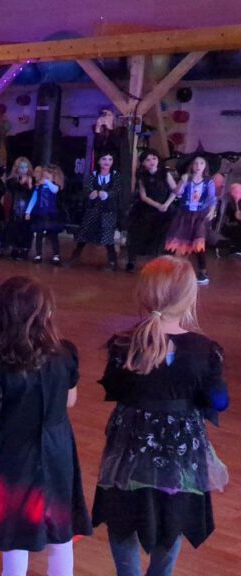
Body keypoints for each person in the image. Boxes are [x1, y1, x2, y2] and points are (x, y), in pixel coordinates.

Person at [91, 256, 229, 576]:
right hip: (179, 449)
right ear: (190, 297)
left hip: (130, 445)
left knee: (122, 513)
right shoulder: (204, 350)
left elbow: (114, 387)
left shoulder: (123, 344)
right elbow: (219, 401)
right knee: (172, 516)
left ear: (144, 295)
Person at [0, 276, 92, 576]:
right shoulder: (66, 353)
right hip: (58, 448)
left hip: (16, 455)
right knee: (61, 530)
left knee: (16, 530)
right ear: (47, 314)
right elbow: (70, 400)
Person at [165, 155, 217, 285]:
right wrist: (181, 182)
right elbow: (177, 193)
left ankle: (202, 271)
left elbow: (212, 198)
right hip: (185, 214)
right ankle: (177, 270)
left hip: (200, 215)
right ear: (191, 166)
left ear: (205, 166)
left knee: (199, 242)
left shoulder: (208, 182)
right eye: (196, 163)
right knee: (180, 241)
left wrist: (212, 210)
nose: (198, 166)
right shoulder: (186, 179)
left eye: (201, 163)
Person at [126, 150, 178, 272]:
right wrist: (157, 205)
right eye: (148, 160)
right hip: (147, 208)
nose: (151, 162)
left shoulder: (165, 174)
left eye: (154, 158)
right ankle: (131, 260)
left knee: (160, 236)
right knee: (138, 233)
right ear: (143, 163)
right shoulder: (142, 176)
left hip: (165, 208)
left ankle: (156, 261)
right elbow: (143, 196)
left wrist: (166, 204)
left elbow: (175, 190)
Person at [71, 151, 123, 270]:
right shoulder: (93, 175)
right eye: (104, 159)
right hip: (93, 209)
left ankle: (112, 261)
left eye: (110, 159)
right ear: (99, 161)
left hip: (108, 210)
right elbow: (87, 189)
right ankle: (75, 256)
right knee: (84, 233)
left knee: (107, 235)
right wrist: (91, 194)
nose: (107, 162)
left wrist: (107, 194)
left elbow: (117, 191)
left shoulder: (115, 176)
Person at [26, 164, 64, 265]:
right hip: (40, 214)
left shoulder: (54, 186)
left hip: (51, 214)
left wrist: (47, 181)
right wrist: (28, 211)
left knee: (53, 235)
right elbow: (33, 199)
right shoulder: (38, 188)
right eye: (44, 177)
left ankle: (56, 255)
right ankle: (38, 254)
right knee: (39, 235)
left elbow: (55, 190)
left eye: (48, 177)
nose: (45, 179)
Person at [4, 157, 34, 260]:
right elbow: (13, 189)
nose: (23, 169)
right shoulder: (12, 180)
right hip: (15, 209)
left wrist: (29, 184)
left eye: (25, 167)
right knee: (15, 229)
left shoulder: (32, 179)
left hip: (28, 209)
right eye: (21, 167)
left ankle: (25, 250)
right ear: (17, 168)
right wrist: (21, 182)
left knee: (26, 229)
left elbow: (33, 194)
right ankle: (15, 248)